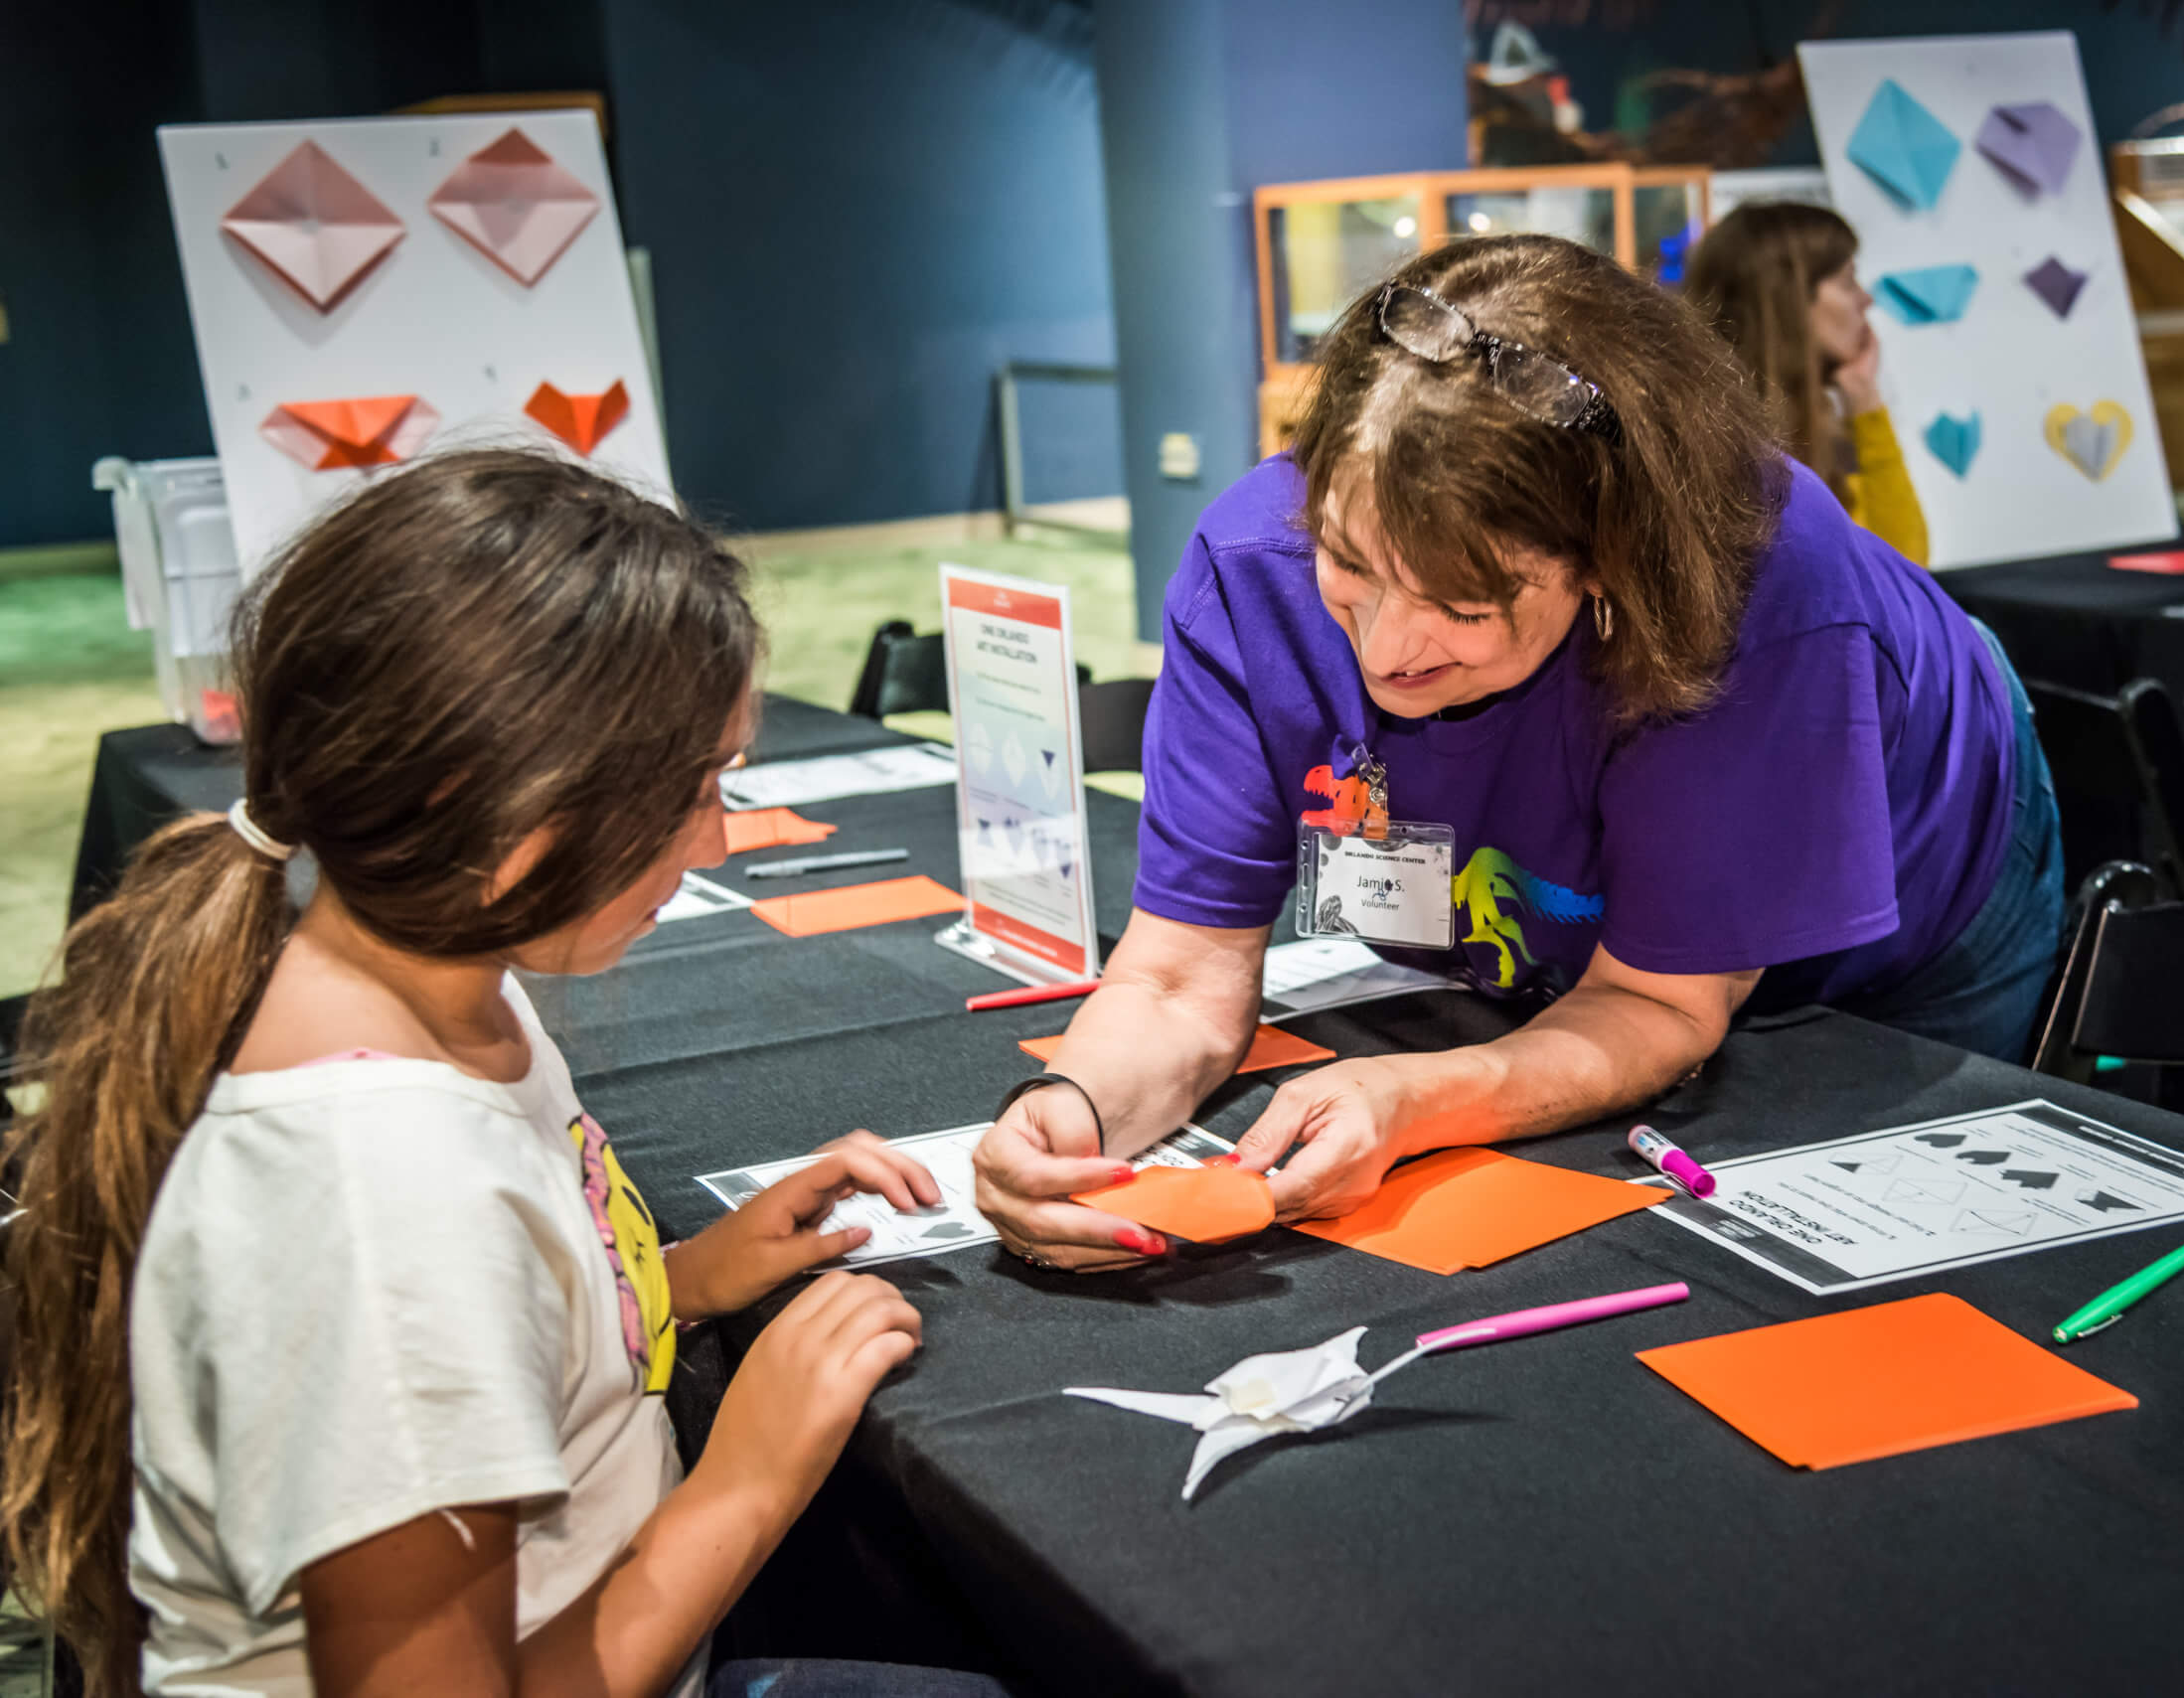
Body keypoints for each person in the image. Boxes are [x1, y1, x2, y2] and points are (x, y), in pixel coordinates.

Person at [1, 453, 1004, 1698]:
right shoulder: (381, 1199)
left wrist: (680, 1278)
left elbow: (511, 1333)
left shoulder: (437, 974)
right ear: (500, 816)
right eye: (692, 791)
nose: (719, 840)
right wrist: (746, 1481)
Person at [974, 233, 2059, 1274]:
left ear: (1602, 556)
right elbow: (1176, 978)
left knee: (1877, 1247)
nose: (1387, 649)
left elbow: (1658, 1004)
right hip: (1590, 959)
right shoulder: (1249, 564)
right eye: (1351, 564)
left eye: (1459, 601)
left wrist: (1420, 1096)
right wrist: (1071, 1108)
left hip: (1924, 895)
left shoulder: (1758, 597)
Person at [1685, 200, 1930, 566]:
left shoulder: (1819, 425)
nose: (1866, 300)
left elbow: (1906, 567)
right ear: (1791, 299)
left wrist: (1863, 396)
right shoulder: (1725, 449)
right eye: (1848, 282)